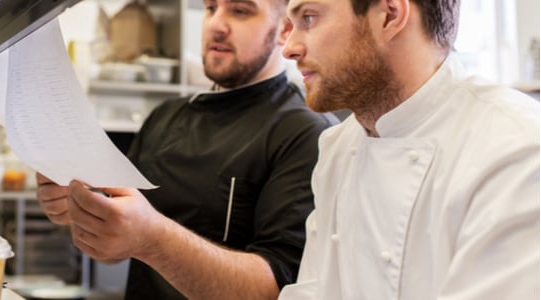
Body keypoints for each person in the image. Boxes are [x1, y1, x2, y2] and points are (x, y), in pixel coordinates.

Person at [35, 0, 337, 298]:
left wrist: (152, 240)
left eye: (240, 11)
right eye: (210, 8)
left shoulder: (308, 134)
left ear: (284, 29)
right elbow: (117, 249)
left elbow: (277, 289)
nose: (216, 24)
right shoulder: (165, 117)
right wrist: (85, 214)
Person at [277, 0, 540, 299]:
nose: (289, 47)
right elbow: (313, 290)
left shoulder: (517, 149)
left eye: (309, 18)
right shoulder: (337, 146)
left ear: (390, 16)